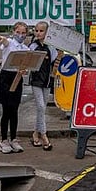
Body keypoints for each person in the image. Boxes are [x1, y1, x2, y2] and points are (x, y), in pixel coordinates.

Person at [0, 21, 29, 154]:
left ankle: (13, 138)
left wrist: (25, 71)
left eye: (23, 33)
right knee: (6, 109)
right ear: (13, 32)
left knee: (14, 109)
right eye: (18, 32)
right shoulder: (9, 43)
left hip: (17, 77)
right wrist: (0, 38)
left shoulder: (26, 49)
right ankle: (3, 140)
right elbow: (3, 41)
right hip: (6, 77)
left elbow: (28, 64)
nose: (20, 35)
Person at [28, 21, 57, 151]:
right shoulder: (33, 46)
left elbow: (54, 62)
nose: (38, 33)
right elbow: (28, 62)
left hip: (46, 81)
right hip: (35, 80)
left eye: (41, 31)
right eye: (36, 30)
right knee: (40, 106)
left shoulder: (51, 47)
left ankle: (35, 133)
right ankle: (44, 135)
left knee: (42, 108)